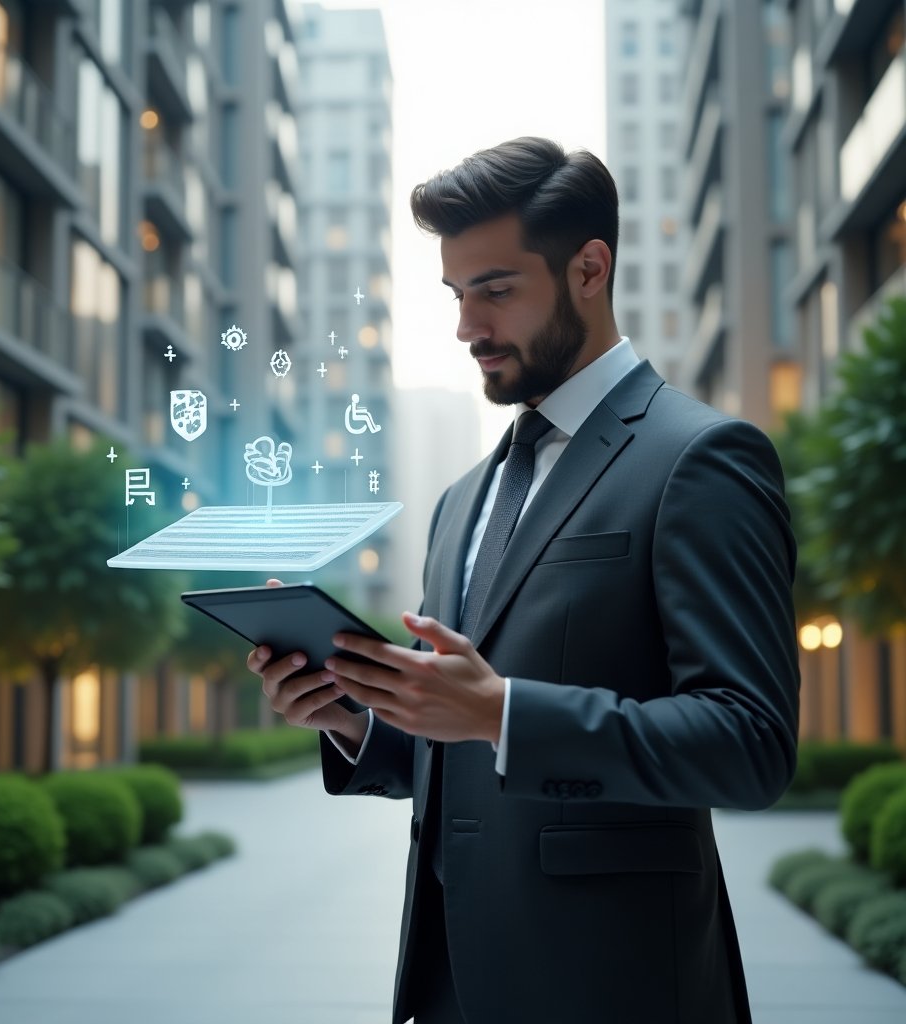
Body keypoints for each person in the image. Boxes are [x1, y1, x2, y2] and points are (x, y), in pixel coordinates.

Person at [249, 137, 800, 1024]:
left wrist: (502, 711)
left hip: (617, 990)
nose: (468, 326)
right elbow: (454, 757)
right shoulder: (460, 502)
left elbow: (750, 743)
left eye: (496, 291)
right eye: (457, 294)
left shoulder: (699, 459)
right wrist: (354, 717)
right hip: (448, 984)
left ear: (590, 268)